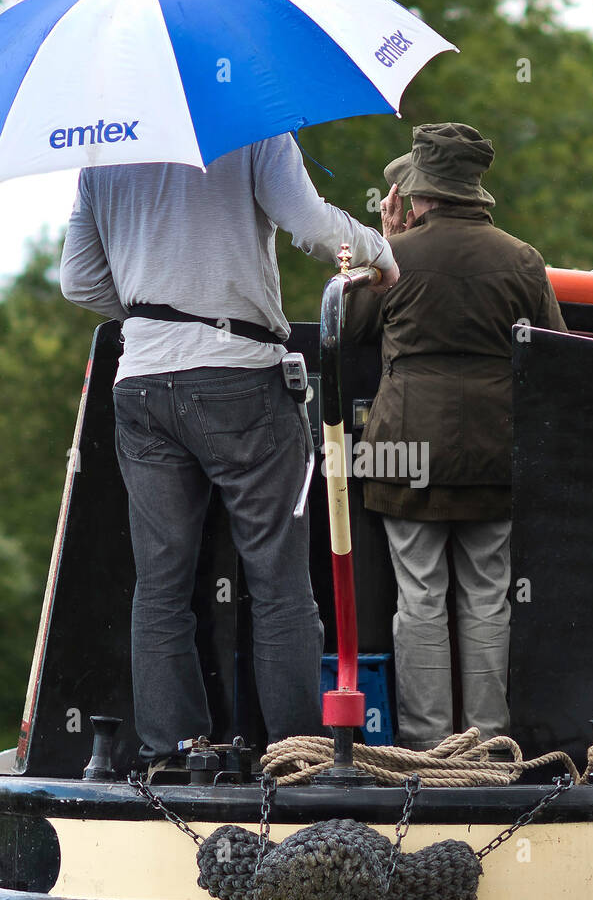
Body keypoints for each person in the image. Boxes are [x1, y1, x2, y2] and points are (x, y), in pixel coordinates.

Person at [59, 135, 399, 774]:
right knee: (278, 583)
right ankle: (297, 757)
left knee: (159, 586)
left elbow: (80, 281)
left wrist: (156, 313)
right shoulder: (255, 124)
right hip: (239, 376)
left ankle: (172, 755)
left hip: (141, 382)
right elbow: (308, 222)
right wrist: (379, 252)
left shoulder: (100, 148)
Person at [346, 122, 566, 750]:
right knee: (489, 598)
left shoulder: (399, 256)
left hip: (404, 451)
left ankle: (425, 748)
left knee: (419, 599)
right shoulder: (523, 260)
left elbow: (351, 326)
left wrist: (383, 246)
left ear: (421, 196)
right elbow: (551, 351)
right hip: (496, 454)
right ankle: (488, 740)